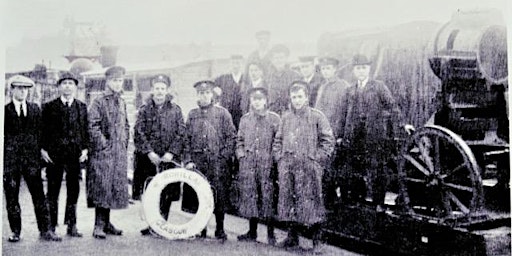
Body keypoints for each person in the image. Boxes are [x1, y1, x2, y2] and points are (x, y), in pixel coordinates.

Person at [273, 81, 334, 252]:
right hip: (289, 167)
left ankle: (317, 242)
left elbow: (327, 140)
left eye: (300, 97)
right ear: (290, 99)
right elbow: (278, 140)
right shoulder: (286, 117)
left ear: (306, 97)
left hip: (309, 170)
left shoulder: (317, 116)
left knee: (313, 204)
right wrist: (280, 158)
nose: (297, 100)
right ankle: (292, 238)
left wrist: (316, 159)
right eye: (294, 97)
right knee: (289, 202)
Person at [339, 54, 405, 212]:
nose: (361, 71)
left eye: (364, 68)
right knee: (355, 168)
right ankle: (358, 200)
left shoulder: (378, 86)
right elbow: (342, 114)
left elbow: (392, 107)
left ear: (369, 69)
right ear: (353, 71)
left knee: (377, 169)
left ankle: (379, 202)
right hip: (354, 135)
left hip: (374, 135)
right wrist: (340, 135)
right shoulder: (349, 90)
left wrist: (402, 124)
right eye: (358, 68)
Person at [4, 75, 62, 242]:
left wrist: (42, 155)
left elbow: (41, 134)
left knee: (39, 196)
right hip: (11, 163)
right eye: (19, 88)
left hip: (32, 162)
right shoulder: (5, 112)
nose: (22, 91)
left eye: (25, 89)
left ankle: (45, 230)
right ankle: (16, 231)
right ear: (12, 90)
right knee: (12, 197)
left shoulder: (35, 109)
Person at [132, 74, 186, 236]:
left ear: (167, 90)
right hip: (149, 160)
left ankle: (162, 224)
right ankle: (152, 224)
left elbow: (181, 132)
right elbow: (138, 132)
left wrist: (171, 152)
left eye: (163, 88)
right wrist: (149, 152)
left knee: (167, 193)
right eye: (157, 88)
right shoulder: (144, 110)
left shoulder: (176, 110)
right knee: (151, 191)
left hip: (168, 159)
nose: (160, 92)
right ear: (152, 90)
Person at [183, 80, 237, 241]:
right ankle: (201, 228)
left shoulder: (222, 113)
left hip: (217, 163)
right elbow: (186, 139)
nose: (204, 96)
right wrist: (188, 160)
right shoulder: (192, 114)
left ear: (212, 94)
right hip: (198, 162)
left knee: (218, 194)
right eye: (201, 93)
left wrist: (223, 157)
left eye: (207, 93)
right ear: (197, 95)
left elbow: (231, 137)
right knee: (199, 195)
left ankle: (220, 228)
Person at [41, 72, 89, 238]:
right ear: (59, 86)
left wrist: (85, 149)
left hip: (74, 156)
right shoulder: (48, 107)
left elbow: (85, 131)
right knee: (53, 190)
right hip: (54, 155)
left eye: (71, 83)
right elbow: (42, 131)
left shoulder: (81, 107)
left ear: (75, 87)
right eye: (64, 83)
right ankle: (51, 226)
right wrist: (43, 150)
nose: (67, 86)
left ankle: (72, 225)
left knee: (73, 190)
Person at [87, 66, 130, 239]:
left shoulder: (122, 101)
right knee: (102, 187)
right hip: (103, 154)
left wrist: (125, 142)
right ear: (107, 81)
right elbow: (92, 125)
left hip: (118, 153)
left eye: (120, 80)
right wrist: (104, 145)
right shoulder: (99, 101)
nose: (118, 83)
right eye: (114, 80)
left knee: (113, 188)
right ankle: (98, 225)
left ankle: (107, 222)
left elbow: (126, 124)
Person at [236, 87, 280, 245]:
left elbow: (278, 141)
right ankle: (252, 231)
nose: (257, 102)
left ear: (266, 100)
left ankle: (271, 233)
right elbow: (239, 140)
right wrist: (241, 156)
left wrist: (273, 159)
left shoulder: (274, 119)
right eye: (254, 99)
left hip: (266, 164)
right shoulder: (245, 119)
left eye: (260, 99)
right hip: (249, 163)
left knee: (267, 196)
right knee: (250, 196)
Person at [314, 57, 350, 213]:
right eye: (323, 69)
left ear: (335, 69)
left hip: (335, 135)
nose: (326, 71)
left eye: (329, 68)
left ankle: (332, 207)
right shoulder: (322, 87)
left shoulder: (344, 87)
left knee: (332, 173)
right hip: (321, 136)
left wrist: (340, 134)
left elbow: (346, 113)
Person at [266, 44, 302, 114]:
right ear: (272, 60)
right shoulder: (268, 77)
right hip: (272, 113)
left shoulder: (294, 75)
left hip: (290, 113)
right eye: (276, 58)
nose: (278, 60)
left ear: (286, 59)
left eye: (281, 58)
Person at [214, 54, 245, 130]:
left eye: (238, 63)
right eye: (233, 63)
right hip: (227, 112)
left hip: (242, 112)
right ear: (230, 64)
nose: (235, 66)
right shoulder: (224, 78)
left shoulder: (245, 78)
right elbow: (211, 84)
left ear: (242, 64)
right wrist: (218, 93)